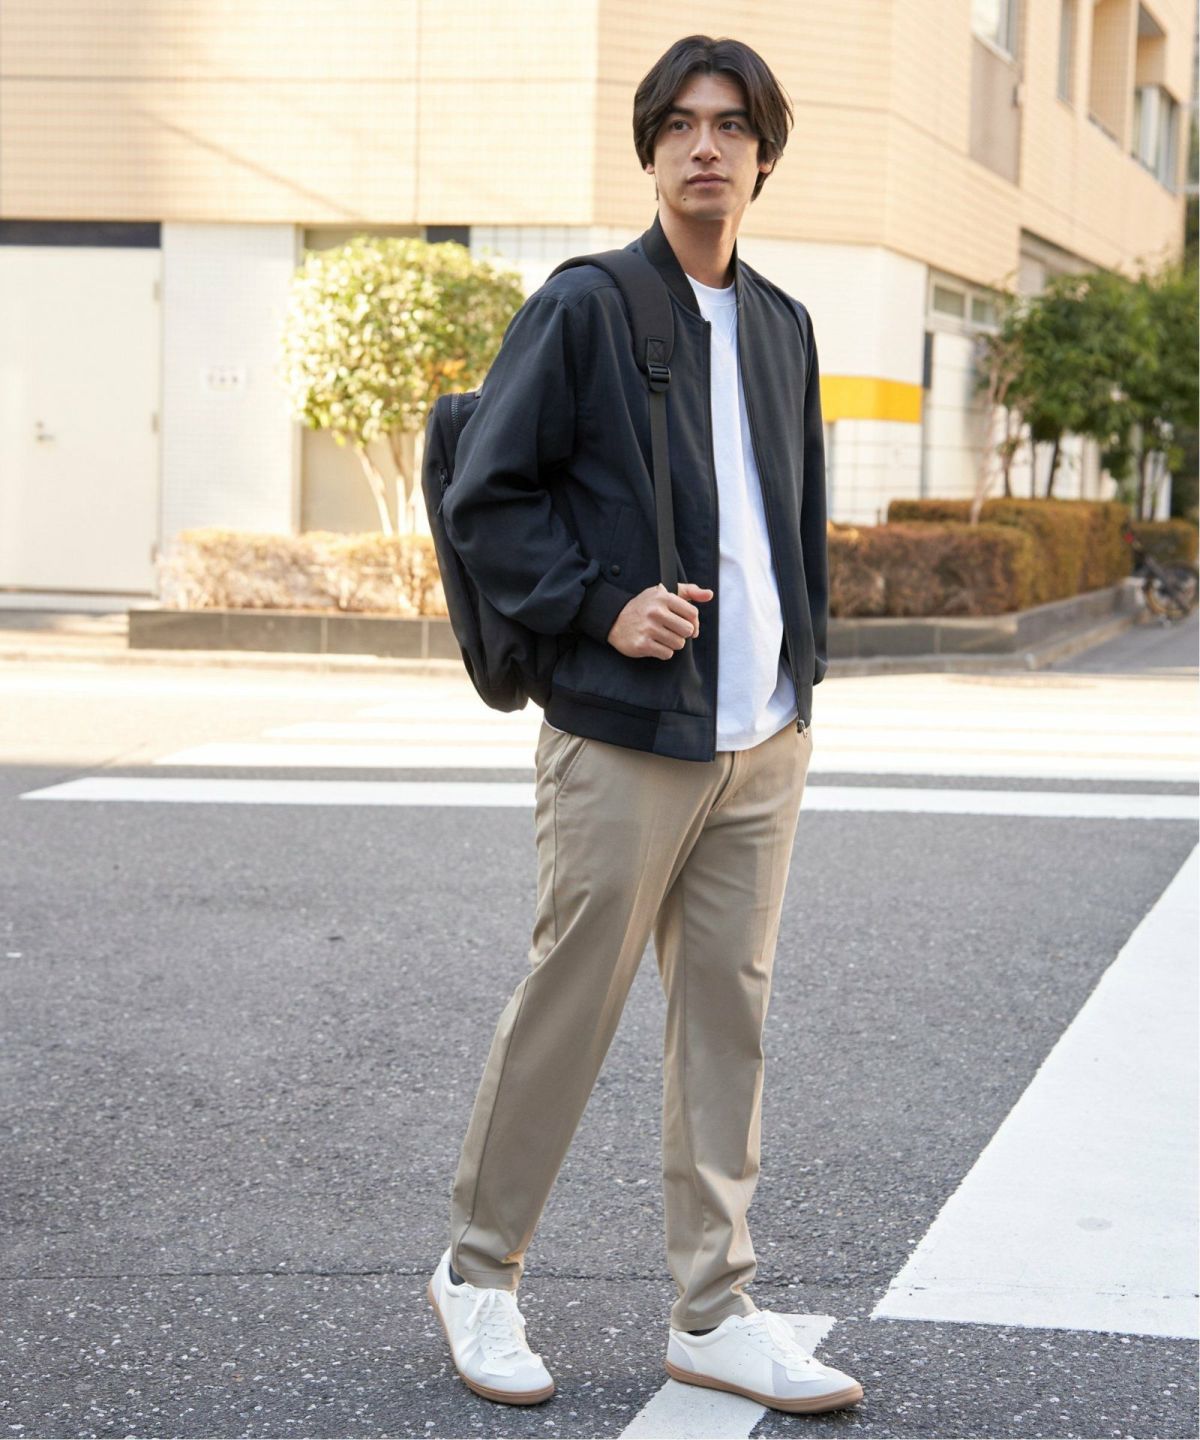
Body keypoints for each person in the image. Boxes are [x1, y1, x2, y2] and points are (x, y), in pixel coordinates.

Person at [426, 33, 862, 1417]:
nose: (705, 145)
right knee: (574, 1000)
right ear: (652, 151)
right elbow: (488, 495)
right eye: (679, 123)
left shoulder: (783, 324)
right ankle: (478, 1273)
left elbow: (789, 517)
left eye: (730, 124)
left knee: (729, 1020)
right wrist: (599, 607)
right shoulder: (587, 306)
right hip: (623, 731)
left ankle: (714, 1309)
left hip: (761, 737)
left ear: (764, 154)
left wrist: (800, 677)